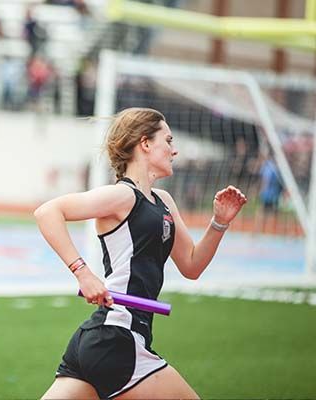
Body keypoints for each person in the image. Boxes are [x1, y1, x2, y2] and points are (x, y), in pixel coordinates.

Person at [34, 108, 247, 399]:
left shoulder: (164, 202)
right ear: (145, 144)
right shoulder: (122, 195)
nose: (174, 150)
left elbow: (192, 265)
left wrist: (219, 223)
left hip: (102, 338)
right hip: (118, 337)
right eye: (168, 140)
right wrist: (82, 272)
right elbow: (47, 212)